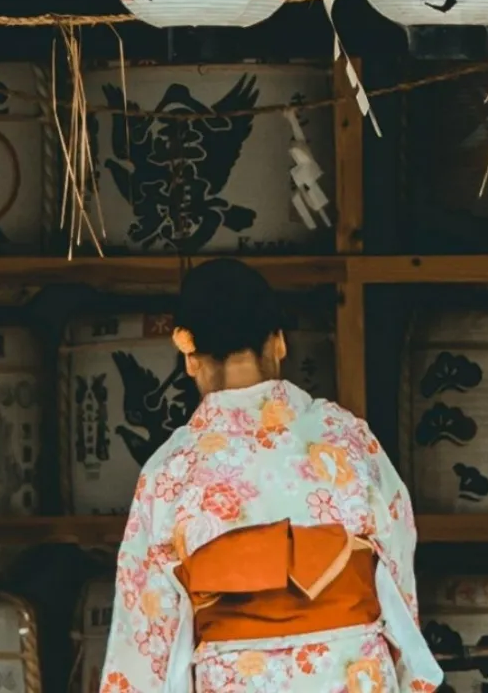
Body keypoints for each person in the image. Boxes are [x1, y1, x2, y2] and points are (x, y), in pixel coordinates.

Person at [101, 258, 444, 693]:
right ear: (278, 342)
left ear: (190, 357)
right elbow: (395, 558)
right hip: (350, 667)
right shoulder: (345, 437)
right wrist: (407, 674)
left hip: (236, 676)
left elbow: (147, 622)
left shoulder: (172, 469)